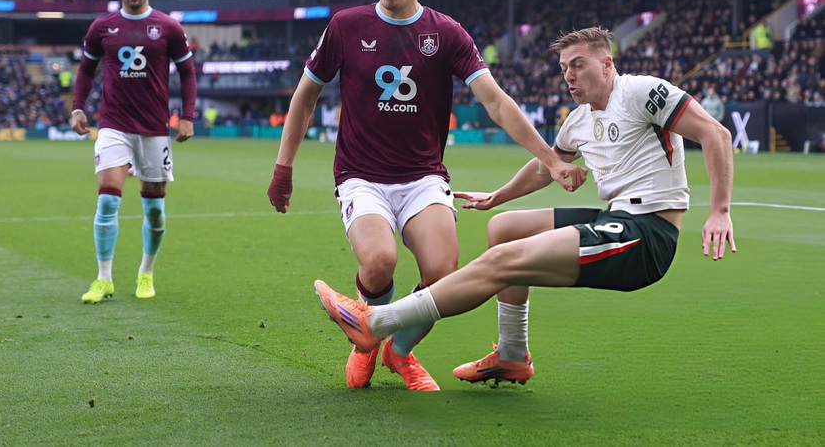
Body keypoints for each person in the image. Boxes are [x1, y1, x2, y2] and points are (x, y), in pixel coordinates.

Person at [314, 26, 736, 388]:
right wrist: (498, 196)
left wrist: (719, 210)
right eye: (564, 67)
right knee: (505, 228)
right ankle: (513, 355)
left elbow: (715, 134)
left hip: (647, 236)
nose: (568, 75)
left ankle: (376, 323)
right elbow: (545, 167)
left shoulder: (642, 92)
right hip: (618, 221)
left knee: (504, 260)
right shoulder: (579, 119)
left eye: (579, 64)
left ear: (607, 65)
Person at [267, 0, 585, 391]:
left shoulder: (446, 33)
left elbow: (496, 103)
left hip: (422, 177)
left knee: (444, 274)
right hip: (362, 176)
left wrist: (551, 161)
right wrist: (283, 168)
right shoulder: (346, 26)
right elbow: (304, 97)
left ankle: (398, 351)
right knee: (379, 263)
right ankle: (364, 346)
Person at [71, 0, 198, 304]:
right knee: (108, 199)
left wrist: (187, 116)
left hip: (155, 130)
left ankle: (146, 272)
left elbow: (187, 73)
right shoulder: (103, 27)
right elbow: (86, 69)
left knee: (154, 210)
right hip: (113, 125)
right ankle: (103, 278)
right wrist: (78, 106)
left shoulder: (168, 27)